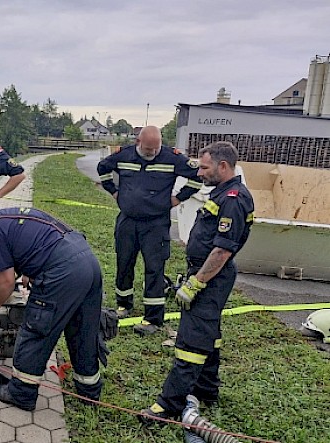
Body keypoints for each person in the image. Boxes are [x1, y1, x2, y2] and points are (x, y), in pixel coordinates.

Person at [140, 141, 254, 427]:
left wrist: (196, 284)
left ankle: (169, 405)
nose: (200, 173)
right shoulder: (221, 193)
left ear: (223, 166)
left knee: (191, 341)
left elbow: (222, 251)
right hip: (207, 274)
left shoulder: (233, 199)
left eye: (204, 167)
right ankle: (206, 389)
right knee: (209, 333)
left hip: (211, 277)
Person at [0, 200, 104, 411]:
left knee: (36, 328)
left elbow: (5, 281)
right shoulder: (10, 215)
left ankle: (21, 392)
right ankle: (89, 392)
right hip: (87, 262)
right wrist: (29, 270)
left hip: (62, 272)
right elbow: (35, 240)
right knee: (82, 329)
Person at [97, 125, 203, 335]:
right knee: (124, 262)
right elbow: (103, 169)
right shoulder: (124, 155)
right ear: (138, 143)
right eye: (148, 150)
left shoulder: (172, 157)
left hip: (156, 224)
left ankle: (153, 317)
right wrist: (113, 191)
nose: (152, 154)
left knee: (154, 268)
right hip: (128, 221)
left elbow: (197, 177)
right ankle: (123, 304)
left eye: (156, 149)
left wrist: (177, 199)